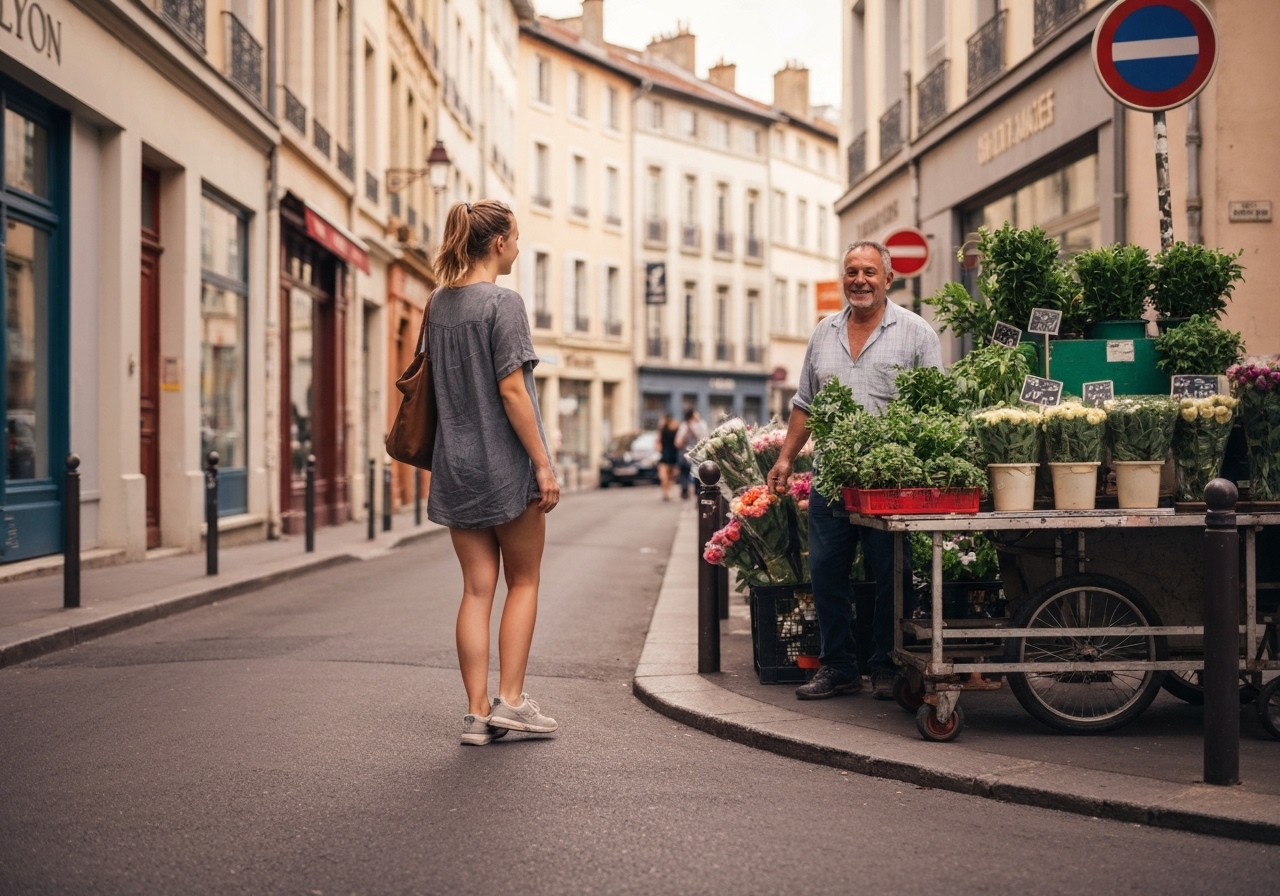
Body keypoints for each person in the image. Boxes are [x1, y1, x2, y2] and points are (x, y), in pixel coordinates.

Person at [766, 241, 942, 701]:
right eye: (851, 272)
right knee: (826, 572)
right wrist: (785, 458)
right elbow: (805, 403)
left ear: (888, 279)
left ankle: (886, 664)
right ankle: (839, 666)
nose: (859, 280)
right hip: (832, 476)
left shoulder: (917, 333)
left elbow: (934, 409)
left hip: (890, 481)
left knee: (891, 575)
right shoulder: (824, 332)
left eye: (869, 272)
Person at [427, 199, 561, 745]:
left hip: (455, 466)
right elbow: (512, 390)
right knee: (523, 581)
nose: (519, 248)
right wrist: (543, 464)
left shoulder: (437, 303)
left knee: (476, 590)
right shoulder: (504, 304)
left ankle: (476, 715)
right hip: (506, 465)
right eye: (517, 238)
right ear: (499, 243)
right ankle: (511, 700)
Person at [675, 408, 709, 499]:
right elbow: (705, 437)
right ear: (693, 415)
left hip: (685, 452)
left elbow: (678, 441)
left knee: (685, 473)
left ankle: (685, 491)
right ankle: (697, 491)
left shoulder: (684, 425)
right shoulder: (701, 424)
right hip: (697, 453)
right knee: (697, 472)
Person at [657, 414, 680, 501]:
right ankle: (666, 492)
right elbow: (658, 441)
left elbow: (658, 441)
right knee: (666, 476)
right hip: (668, 454)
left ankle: (667, 491)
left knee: (670, 476)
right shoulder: (666, 429)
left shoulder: (666, 429)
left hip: (669, 454)